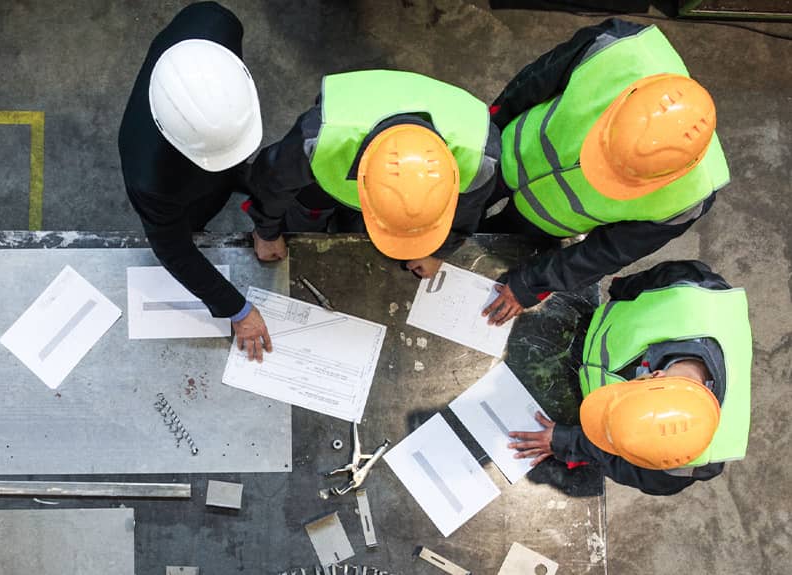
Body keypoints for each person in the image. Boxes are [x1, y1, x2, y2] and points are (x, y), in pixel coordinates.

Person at [481, 19, 730, 325]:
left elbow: (606, 253)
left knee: (495, 246)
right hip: (510, 149)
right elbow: (531, 83)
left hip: (547, 219)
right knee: (463, 203)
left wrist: (531, 284)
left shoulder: (689, 198)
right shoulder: (616, 50)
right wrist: (486, 136)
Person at [507, 260, 752, 495]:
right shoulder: (692, 290)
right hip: (586, 328)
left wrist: (568, 441)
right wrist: (620, 290)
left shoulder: (687, 461)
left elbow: (629, 465)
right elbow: (638, 284)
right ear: (654, 375)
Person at [118, 2, 270, 361]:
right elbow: (174, 250)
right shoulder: (151, 178)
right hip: (175, 178)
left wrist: (268, 218)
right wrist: (238, 310)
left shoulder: (216, 23)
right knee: (193, 220)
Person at [246, 69, 501, 278]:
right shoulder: (321, 139)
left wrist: (437, 251)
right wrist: (267, 232)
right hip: (322, 182)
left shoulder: (479, 157)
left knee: (357, 230)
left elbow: (467, 212)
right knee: (303, 220)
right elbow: (270, 182)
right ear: (360, 178)